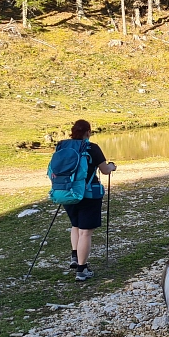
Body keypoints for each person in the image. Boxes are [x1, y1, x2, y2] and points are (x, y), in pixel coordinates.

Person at [58, 119, 116, 281]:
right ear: (88, 132)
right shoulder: (92, 147)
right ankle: (82, 270)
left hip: (66, 191)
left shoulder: (62, 145)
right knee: (86, 232)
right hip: (88, 193)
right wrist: (112, 166)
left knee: (75, 225)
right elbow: (105, 170)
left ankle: (75, 258)